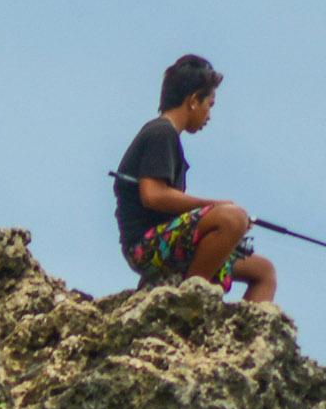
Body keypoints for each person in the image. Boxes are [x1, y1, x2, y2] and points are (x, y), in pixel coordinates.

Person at [113, 54, 277, 305]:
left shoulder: (169, 139)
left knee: (263, 272)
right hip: (144, 246)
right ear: (192, 101)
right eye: (209, 104)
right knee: (233, 218)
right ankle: (189, 299)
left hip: (167, 242)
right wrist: (218, 206)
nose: (209, 115)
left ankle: (240, 336)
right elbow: (153, 195)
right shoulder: (161, 132)